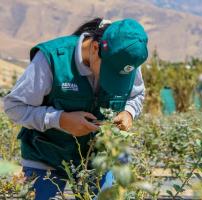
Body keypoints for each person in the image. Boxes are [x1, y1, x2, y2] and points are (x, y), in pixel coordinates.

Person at [3, 17, 148, 199]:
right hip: (45, 157)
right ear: (95, 48)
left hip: (96, 160)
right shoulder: (53, 59)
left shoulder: (126, 62)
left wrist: (129, 112)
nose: (113, 79)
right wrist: (60, 119)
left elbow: (136, 95)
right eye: (109, 72)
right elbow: (14, 106)